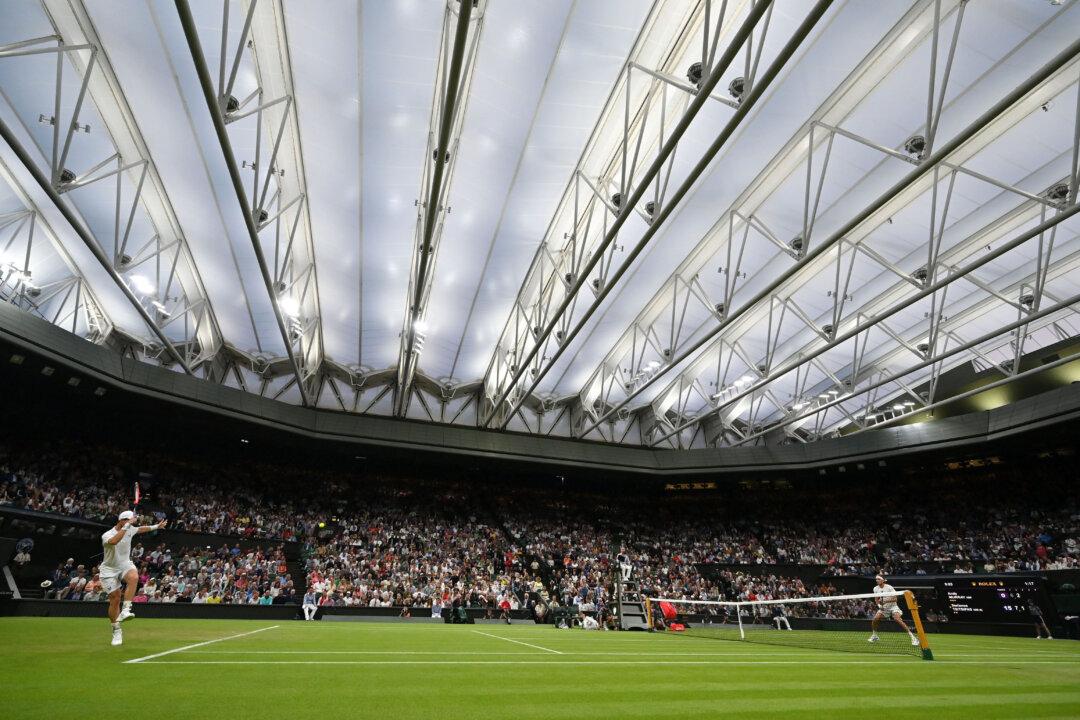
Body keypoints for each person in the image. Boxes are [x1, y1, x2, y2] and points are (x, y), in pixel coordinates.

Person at [101, 510, 167, 646]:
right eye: (128, 521)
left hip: (125, 564)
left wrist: (156, 526)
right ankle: (116, 629)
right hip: (109, 569)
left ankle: (126, 610)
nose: (131, 524)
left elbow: (141, 529)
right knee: (115, 599)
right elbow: (114, 541)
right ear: (121, 521)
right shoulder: (107, 535)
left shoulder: (130, 528)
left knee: (133, 577)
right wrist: (127, 526)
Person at [868, 574, 918, 646]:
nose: (877, 580)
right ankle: (875, 636)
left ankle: (913, 637)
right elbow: (876, 599)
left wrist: (885, 601)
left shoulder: (889, 587)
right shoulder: (875, 588)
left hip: (893, 607)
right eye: (876, 579)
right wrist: (879, 605)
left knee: (897, 619)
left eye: (878, 579)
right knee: (875, 619)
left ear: (883, 580)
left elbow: (895, 598)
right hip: (884, 608)